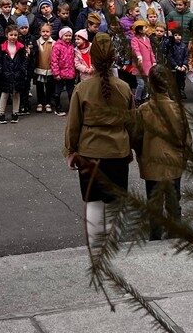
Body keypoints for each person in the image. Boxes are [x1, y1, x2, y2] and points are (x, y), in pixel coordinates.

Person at [63, 33, 135, 249]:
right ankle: (112, 243)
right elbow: (133, 123)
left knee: (93, 200)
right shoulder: (123, 88)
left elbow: (73, 124)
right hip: (117, 151)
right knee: (114, 201)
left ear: (92, 59)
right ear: (113, 59)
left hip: (90, 152)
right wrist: (133, 147)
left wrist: (71, 151)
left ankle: (95, 244)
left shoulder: (82, 89)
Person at [132, 65, 191, 241]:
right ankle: (175, 236)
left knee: (154, 203)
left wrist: (141, 155)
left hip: (152, 162)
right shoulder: (177, 109)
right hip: (173, 162)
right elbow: (186, 138)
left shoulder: (144, 110)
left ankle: (155, 237)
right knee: (174, 203)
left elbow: (136, 137)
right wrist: (183, 158)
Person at [0, 24, 28, 124]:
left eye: (15, 35)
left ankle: (15, 113)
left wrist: (22, 70)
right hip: (5, 74)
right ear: (6, 35)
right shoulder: (2, 47)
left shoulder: (21, 47)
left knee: (16, 94)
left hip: (17, 73)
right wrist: (1, 71)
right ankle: (1, 114)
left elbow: (25, 60)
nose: (13, 37)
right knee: (4, 94)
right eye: (11, 35)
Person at [51, 27, 77, 115]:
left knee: (71, 92)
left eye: (70, 36)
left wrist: (75, 72)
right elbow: (54, 61)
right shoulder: (57, 46)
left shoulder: (72, 46)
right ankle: (58, 107)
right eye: (66, 36)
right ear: (61, 36)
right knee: (58, 92)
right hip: (60, 73)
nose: (68, 37)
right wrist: (56, 73)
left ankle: (72, 108)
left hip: (70, 73)